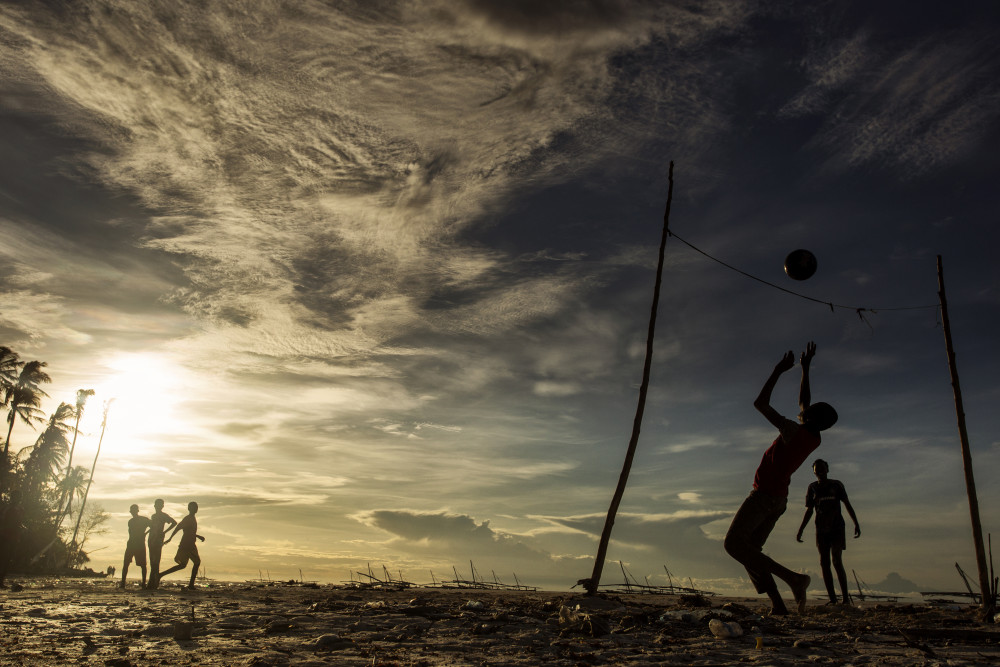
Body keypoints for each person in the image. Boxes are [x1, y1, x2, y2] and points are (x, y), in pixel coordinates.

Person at [724, 342, 838, 615]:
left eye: (808, 411)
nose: (803, 409)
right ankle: (778, 606)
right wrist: (805, 369)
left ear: (810, 418)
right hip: (779, 500)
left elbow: (760, 403)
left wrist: (777, 370)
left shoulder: (792, 431)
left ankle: (793, 578)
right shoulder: (813, 436)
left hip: (764, 496)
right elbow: (805, 403)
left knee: (734, 545)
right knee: (752, 552)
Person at [796, 459, 860, 605]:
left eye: (822, 469)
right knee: (824, 563)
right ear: (813, 472)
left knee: (837, 561)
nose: (820, 472)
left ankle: (845, 599)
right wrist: (801, 530)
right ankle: (832, 599)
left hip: (837, 527)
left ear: (827, 469)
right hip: (821, 530)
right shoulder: (812, 487)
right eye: (817, 469)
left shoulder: (836, 485)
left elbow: (847, 504)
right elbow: (809, 511)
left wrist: (856, 523)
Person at [157, 501, 204, 589]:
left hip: (190, 544)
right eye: (194, 507)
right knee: (196, 562)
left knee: (183, 565)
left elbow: (189, 532)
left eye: (196, 507)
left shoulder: (192, 518)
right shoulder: (188, 518)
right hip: (187, 545)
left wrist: (198, 536)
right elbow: (178, 527)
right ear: (189, 509)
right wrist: (170, 538)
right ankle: (190, 585)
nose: (196, 509)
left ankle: (161, 574)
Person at [145, 499, 177, 590]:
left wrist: (164, 532)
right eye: (157, 505)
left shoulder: (163, 516)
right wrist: (146, 533)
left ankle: (154, 583)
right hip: (151, 539)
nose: (158, 507)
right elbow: (152, 527)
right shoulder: (154, 516)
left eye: (160, 505)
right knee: (152, 561)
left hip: (158, 540)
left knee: (156, 561)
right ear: (154, 506)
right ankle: (152, 583)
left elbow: (174, 523)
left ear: (162, 506)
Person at [121, 504, 151, 588]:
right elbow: (131, 533)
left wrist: (145, 533)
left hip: (140, 544)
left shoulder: (144, 519)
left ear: (137, 511)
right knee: (126, 563)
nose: (132, 513)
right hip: (131, 543)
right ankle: (123, 583)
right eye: (131, 511)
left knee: (143, 565)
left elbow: (153, 526)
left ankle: (144, 583)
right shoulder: (130, 521)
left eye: (134, 511)